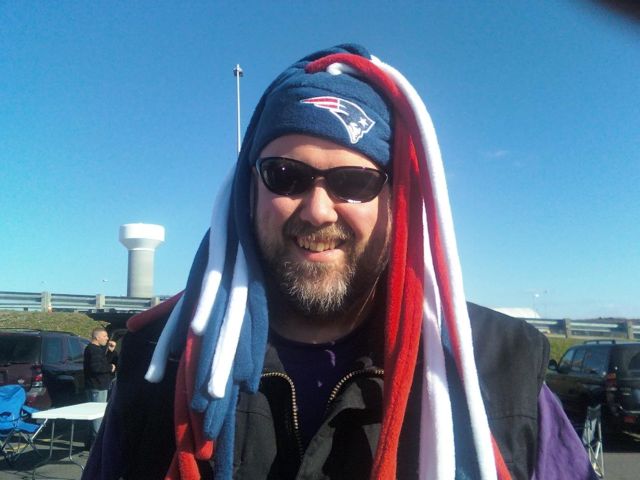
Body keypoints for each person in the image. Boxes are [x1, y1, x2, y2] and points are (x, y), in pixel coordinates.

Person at [84, 44, 597, 480]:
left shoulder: (497, 367)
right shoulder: (160, 361)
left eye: (354, 182)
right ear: (249, 190)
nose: (317, 210)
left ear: (397, 203)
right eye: (285, 175)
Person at [83, 326, 117, 448]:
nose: (107, 339)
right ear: (97, 337)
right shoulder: (93, 350)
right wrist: (110, 368)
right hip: (97, 387)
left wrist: (111, 352)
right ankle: (97, 444)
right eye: (105, 336)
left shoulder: (97, 349)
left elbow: (102, 362)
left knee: (93, 415)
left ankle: (90, 443)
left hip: (98, 385)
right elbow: (96, 367)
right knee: (97, 416)